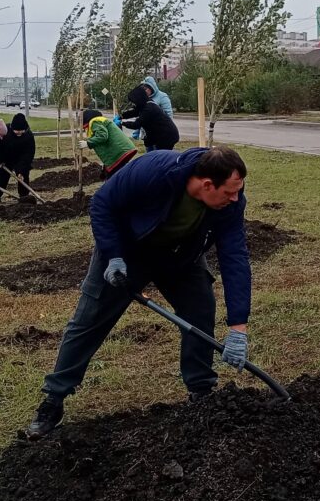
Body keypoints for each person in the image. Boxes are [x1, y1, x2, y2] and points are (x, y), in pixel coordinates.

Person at [26, 146, 252, 439]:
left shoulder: (230, 202)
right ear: (207, 184)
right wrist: (113, 255)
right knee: (90, 319)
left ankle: (201, 392)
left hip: (180, 256)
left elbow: (234, 255)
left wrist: (238, 327)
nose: (236, 199)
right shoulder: (153, 171)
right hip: (128, 251)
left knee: (200, 311)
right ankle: (53, 399)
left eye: (238, 192)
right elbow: (103, 204)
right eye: (229, 193)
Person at [0, 113, 37, 204]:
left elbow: (29, 154)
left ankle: (24, 197)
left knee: (23, 177)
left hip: (20, 159)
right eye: (16, 130)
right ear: (12, 128)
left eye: (21, 130)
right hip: (6, 159)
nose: (19, 132)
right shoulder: (5, 131)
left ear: (25, 128)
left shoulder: (28, 136)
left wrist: (21, 170)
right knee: (2, 177)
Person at [79, 108, 137, 179]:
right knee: (117, 173)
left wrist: (88, 143)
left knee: (114, 176)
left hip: (118, 152)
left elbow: (102, 136)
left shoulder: (95, 122)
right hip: (120, 150)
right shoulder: (100, 121)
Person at [120, 83, 179, 151]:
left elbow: (137, 124)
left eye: (134, 101)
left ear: (138, 98)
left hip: (166, 136)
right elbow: (135, 112)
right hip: (157, 135)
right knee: (151, 151)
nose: (133, 103)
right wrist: (121, 116)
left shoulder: (149, 108)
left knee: (160, 157)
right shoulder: (145, 104)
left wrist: (122, 123)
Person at [131, 76, 174, 146]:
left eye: (146, 89)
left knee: (159, 154)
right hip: (147, 134)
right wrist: (137, 131)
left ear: (152, 87)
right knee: (150, 154)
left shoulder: (162, 97)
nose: (144, 91)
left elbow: (168, 114)